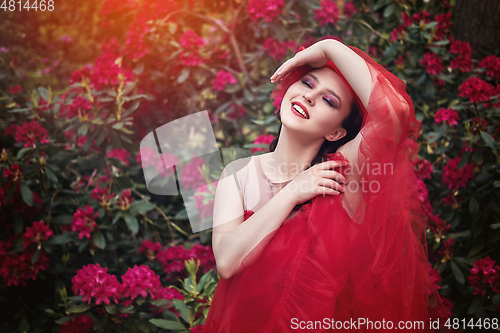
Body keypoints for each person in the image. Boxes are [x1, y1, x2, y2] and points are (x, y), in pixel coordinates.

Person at [204, 39, 451, 332]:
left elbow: (394, 114)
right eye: (307, 84)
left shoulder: (341, 174)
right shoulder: (239, 174)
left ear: (336, 131)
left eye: (328, 100)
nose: (310, 97)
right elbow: (228, 261)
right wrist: (294, 191)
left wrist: (329, 47)